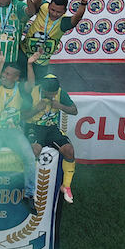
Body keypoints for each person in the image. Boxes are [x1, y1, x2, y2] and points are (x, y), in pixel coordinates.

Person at [0, 51, 38, 216]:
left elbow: (31, 84)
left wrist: (29, 65)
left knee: (29, 157)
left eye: (7, 74)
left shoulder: (20, 89)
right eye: (4, 73)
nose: (4, 76)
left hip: (12, 131)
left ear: (16, 78)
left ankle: (29, 195)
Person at [24, 61, 79, 204]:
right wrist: (36, 110)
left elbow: (74, 110)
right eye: (49, 94)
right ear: (42, 89)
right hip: (34, 126)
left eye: (54, 94)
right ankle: (31, 188)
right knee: (35, 150)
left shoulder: (60, 93)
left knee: (69, 151)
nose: (52, 96)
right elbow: (21, 116)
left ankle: (66, 185)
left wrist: (60, 105)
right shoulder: (32, 93)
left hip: (52, 128)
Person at [22, 0, 94, 80]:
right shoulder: (44, 7)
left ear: (64, 11)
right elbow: (35, 3)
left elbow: (77, 18)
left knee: (36, 85)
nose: (54, 14)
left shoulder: (63, 22)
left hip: (41, 62)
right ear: (49, 6)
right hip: (23, 52)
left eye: (58, 12)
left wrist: (83, 3)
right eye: (52, 10)